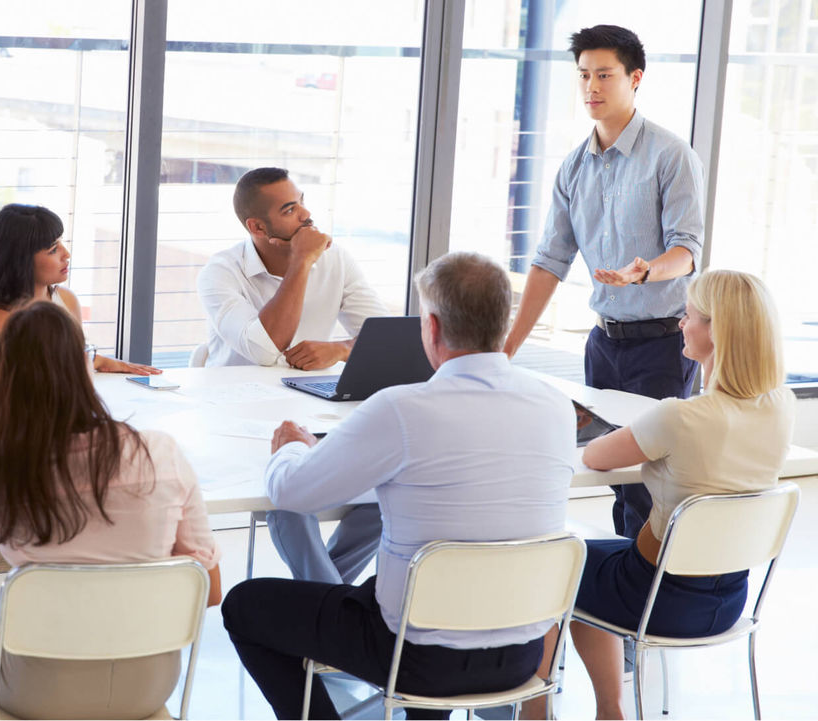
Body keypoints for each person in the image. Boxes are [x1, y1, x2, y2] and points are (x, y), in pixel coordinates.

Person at [223, 252, 576, 720]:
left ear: (430, 326)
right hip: (522, 657)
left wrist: (292, 446)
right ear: (503, 321)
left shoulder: (403, 409)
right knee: (421, 599)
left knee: (245, 606)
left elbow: (291, 493)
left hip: (415, 660)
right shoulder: (556, 406)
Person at [527, 270, 794, 720]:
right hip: (730, 599)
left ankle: (535, 713)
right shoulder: (781, 405)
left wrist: (648, 444)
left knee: (553, 561)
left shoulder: (680, 417)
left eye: (688, 315)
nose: (681, 325)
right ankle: (610, 712)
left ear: (717, 330)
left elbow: (595, 456)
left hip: (657, 599)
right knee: (593, 558)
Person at [0, 300, 222, 719]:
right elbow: (210, 590)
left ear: (3, 380)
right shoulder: (160, 454)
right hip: (147, 684)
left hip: (35, 688)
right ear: (85, 366)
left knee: (5, 622)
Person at [502, 25, 706, 541]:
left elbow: (688, 252)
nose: (592, 86)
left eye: (605, 75)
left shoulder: (670, 155)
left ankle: (650, 596)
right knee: (614, 478)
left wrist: (646, 270)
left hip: (663, 343)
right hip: (603, 344)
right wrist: (506, 348)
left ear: (635, 78)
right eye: (584, 75)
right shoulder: (573, 167)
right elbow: (550, 260)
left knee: (653, 480)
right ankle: (624, 581)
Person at [197, 167, 386, 585]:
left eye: (301, 200)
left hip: (315, 409)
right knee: (289, 501)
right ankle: (330, 605)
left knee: (386, 491)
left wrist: (339, 349)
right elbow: (265, 351)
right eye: (290, 208)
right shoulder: (220, 272)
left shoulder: (336, 259)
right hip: (239, 422)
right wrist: (301, 261)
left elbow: (384, 336)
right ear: (257, 227)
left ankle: (324, 601)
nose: (305, 214)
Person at [0, 203, 160, 378]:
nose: (66, 254)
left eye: (61, 243)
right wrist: (94, 360)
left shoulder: (65, 299)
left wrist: (98, 361)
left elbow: (70, 363)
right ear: (20, 261)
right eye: (52, 250)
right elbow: (26, 375)